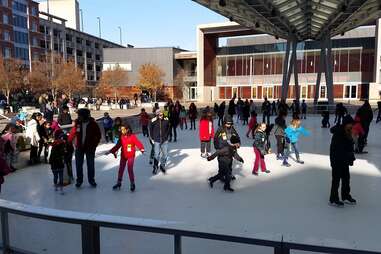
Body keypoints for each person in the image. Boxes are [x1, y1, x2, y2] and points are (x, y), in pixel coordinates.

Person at [68, 108, 101, 188]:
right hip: (79, 147)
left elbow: (98, 135)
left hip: (90, 148)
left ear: (85, 116)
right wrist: (68, 142)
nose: (79, 117)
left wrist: (94, 145)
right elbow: (72, 133)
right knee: (78, 165)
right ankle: (79, 180)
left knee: (90, 164)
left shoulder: (93, 124)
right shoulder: (77, 123)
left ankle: (91, 180)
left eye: (80, 115)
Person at [106, 124, 145, 192]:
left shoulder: (132, 136)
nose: (122, 131)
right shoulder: (121, 137)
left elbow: (137, 143)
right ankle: (119, 183)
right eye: (121, 130)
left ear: (127, 129)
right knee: (121, 169)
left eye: (123, 129)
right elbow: (117, 146)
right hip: (123, 155)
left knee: (130, 169)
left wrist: (141, 149)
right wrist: (110, 151)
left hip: (131, 155)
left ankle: (132, 183)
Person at [329, 115, 356, 207]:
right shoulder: (339, 133)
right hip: (337, 160)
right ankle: (333, 199)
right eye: (350, 124)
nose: (351, 126)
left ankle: (345, 196)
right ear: (345, 124)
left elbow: (349, 148)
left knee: (346, 179)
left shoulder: (347, 132)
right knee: (336, 180)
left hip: (344, 160)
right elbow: (337, 149)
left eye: (352, 124)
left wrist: (351, 158)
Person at [149, 110, 170, 174]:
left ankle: (162, 165)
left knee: (165, 155)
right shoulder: (153, 121)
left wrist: (166, 136)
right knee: (156, 155)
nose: (161, 116)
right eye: (160, 115)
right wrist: (152, 138)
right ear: (157, 115)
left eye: (162, 115)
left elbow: (168, 128)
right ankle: (155, 167)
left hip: (164, 140)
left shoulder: (166, 120)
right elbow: (150, 129)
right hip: (157, 140)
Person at [49, 129, 66, 194]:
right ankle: (61, 189)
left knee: (56, 176)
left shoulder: (53, 146)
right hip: (59, 164)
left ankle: (56, 186)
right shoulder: (62, 145)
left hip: (54, 165)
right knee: (60, 177)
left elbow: (50, 157)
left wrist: (50, 163)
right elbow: (63, 153)